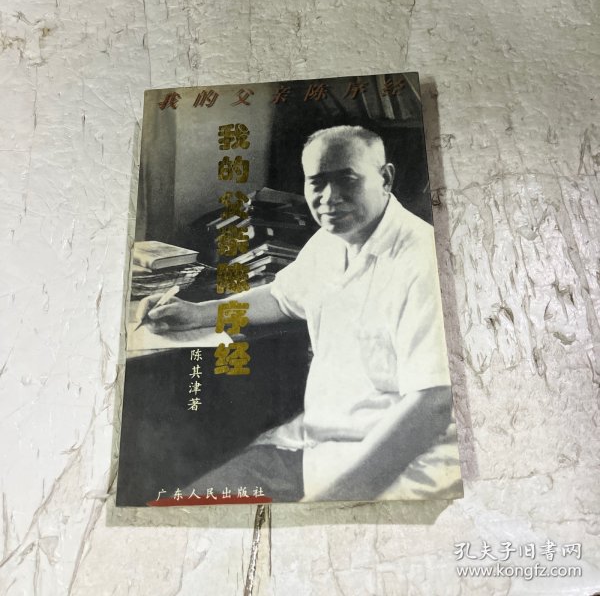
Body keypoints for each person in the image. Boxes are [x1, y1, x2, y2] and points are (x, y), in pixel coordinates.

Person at [137, 125, 462, 502]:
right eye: (317, 182)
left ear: (385, 178)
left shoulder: (422, 259)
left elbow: (432, 403)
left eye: (347, 179)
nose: (329, 197)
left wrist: (332, 502)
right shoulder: (330, 240)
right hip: (315, 443)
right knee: (178, 507)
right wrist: (197, 313)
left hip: (397, 464)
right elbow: (281, 298)